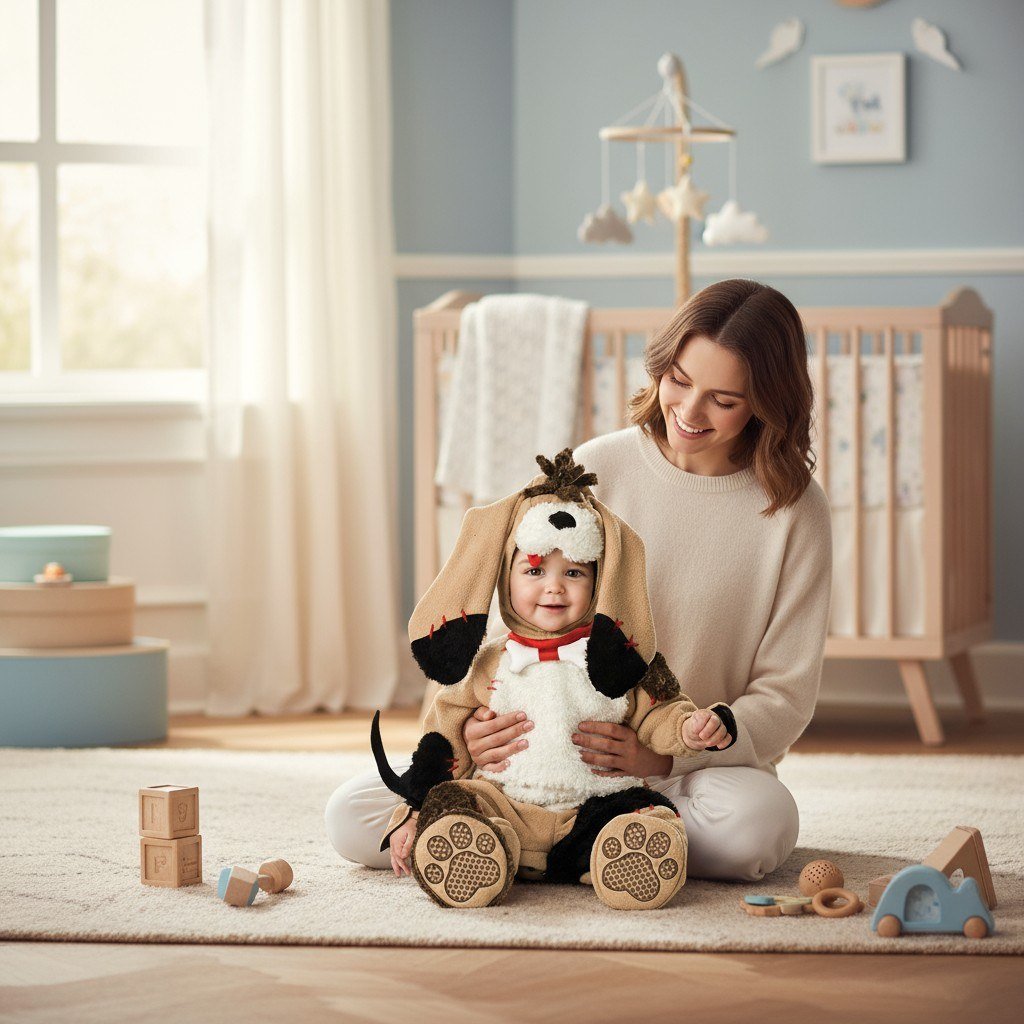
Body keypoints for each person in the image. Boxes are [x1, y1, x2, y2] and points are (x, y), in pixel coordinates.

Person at [326, 278, 832, 883]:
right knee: (351, 816)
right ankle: (580, 846)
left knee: (758, 827)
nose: (690, 413)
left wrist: (664, 752)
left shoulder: (794, 512)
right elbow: (517, 609)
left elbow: (785, 695)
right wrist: (471, 729)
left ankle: (556, 844)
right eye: (679, 380)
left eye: (723, 400)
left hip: (684, 768)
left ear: (767, 402)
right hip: (540, 752)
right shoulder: (598, 467)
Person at [367, 449, 736, 909]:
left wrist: (689, 729)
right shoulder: (488, 662)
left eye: (575, 572)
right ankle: (480, 851)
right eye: (535, 570)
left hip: (595, 806)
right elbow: (442, 739)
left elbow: (662, 711)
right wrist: (413, 808)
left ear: (600, 582)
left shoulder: (623, 659)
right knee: (455, 799)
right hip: (506, 801)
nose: (554, 587)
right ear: (505, 575)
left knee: (648, 813)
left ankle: (623, 854)